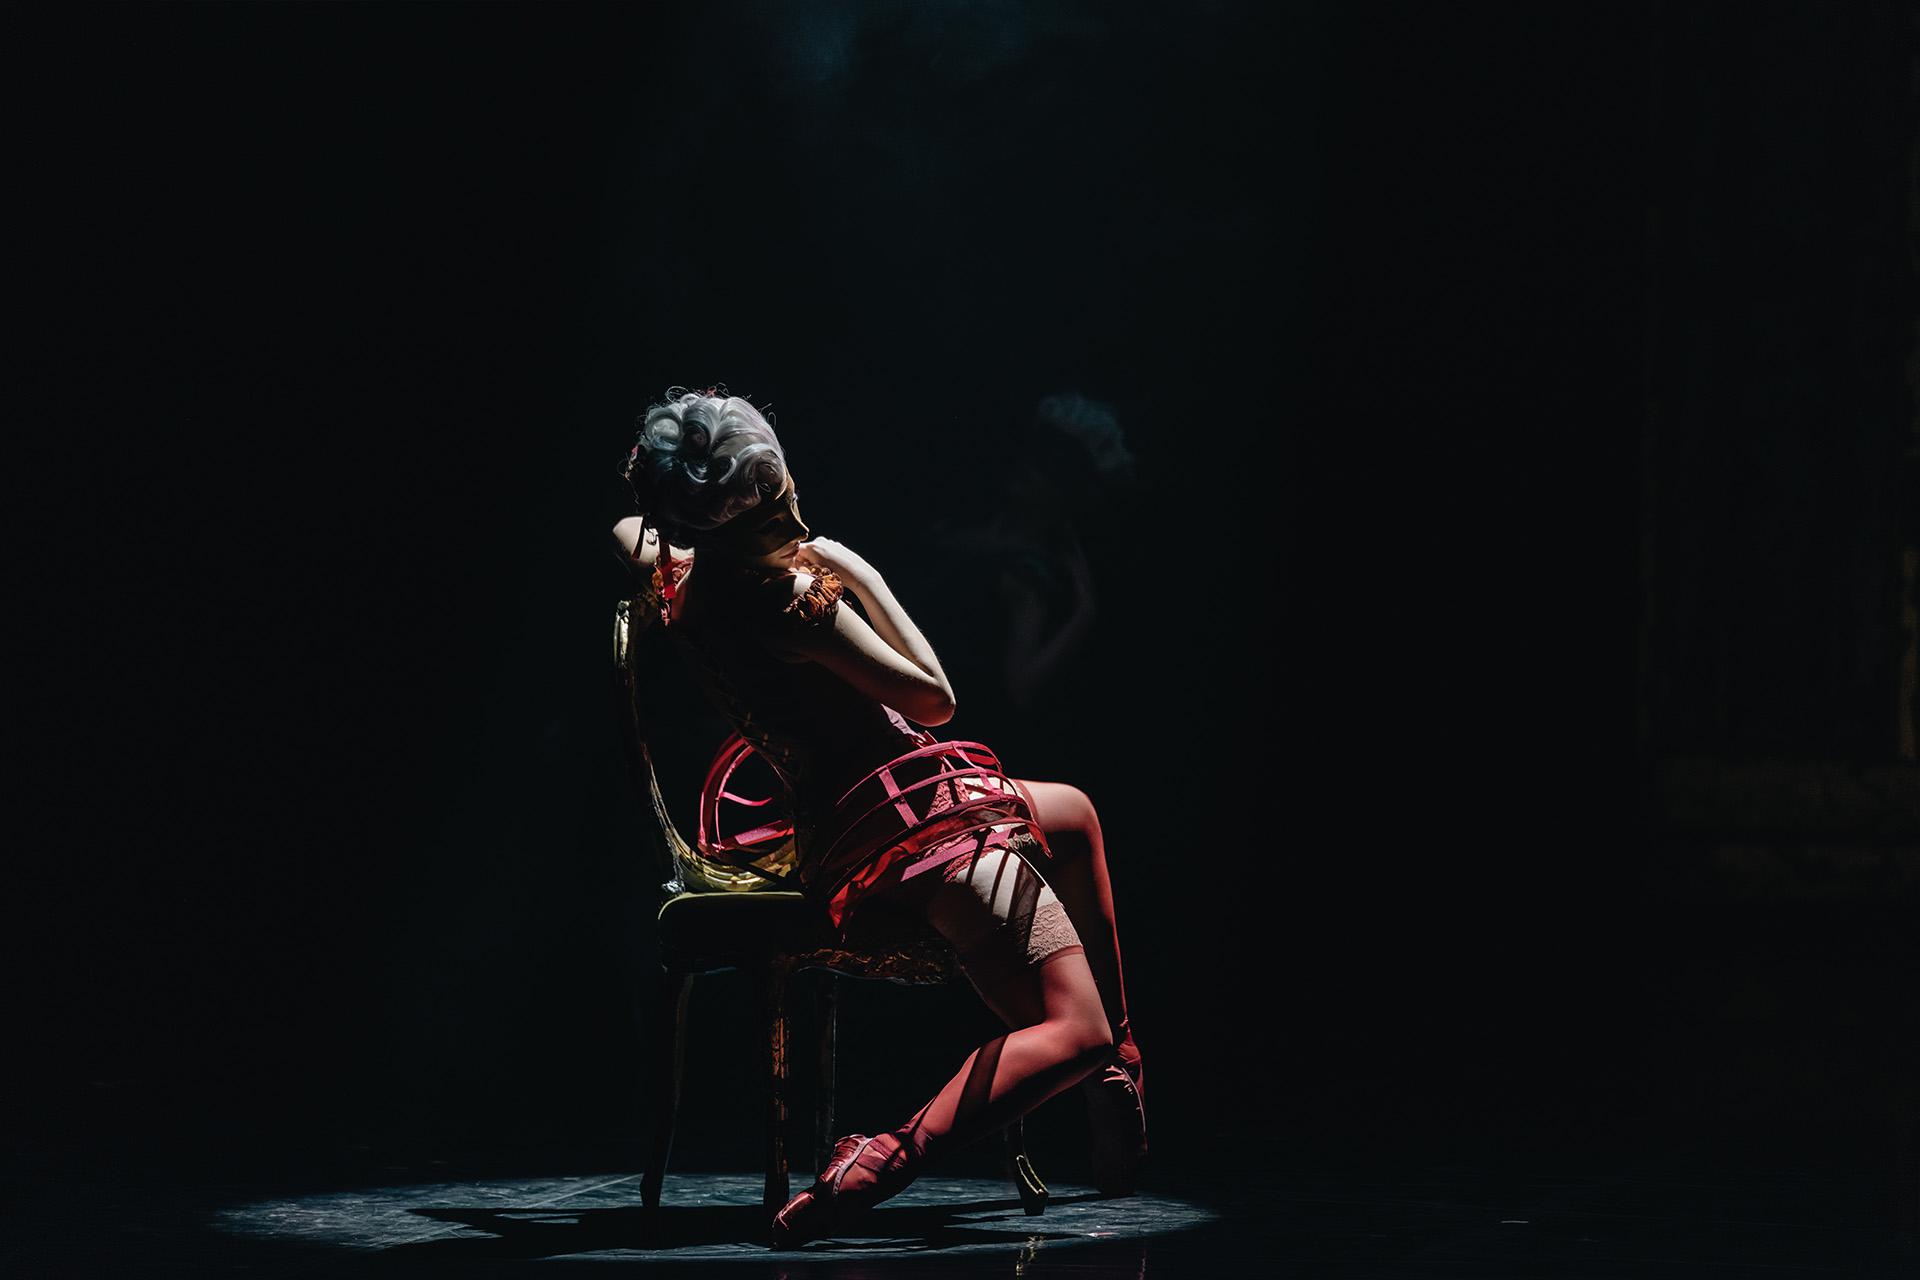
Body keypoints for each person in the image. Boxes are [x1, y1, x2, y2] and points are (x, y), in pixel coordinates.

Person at [610, 387, 1146, 1249]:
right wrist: (857, 572)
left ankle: (1121, 1071)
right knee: (1072, 1030)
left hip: (831, 820)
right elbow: (935, 700)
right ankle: (885, 1158)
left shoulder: (678, 574)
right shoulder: (795, 605)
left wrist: (696, 523)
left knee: (1075, 816)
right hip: (909, 822)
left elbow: (632, 530)